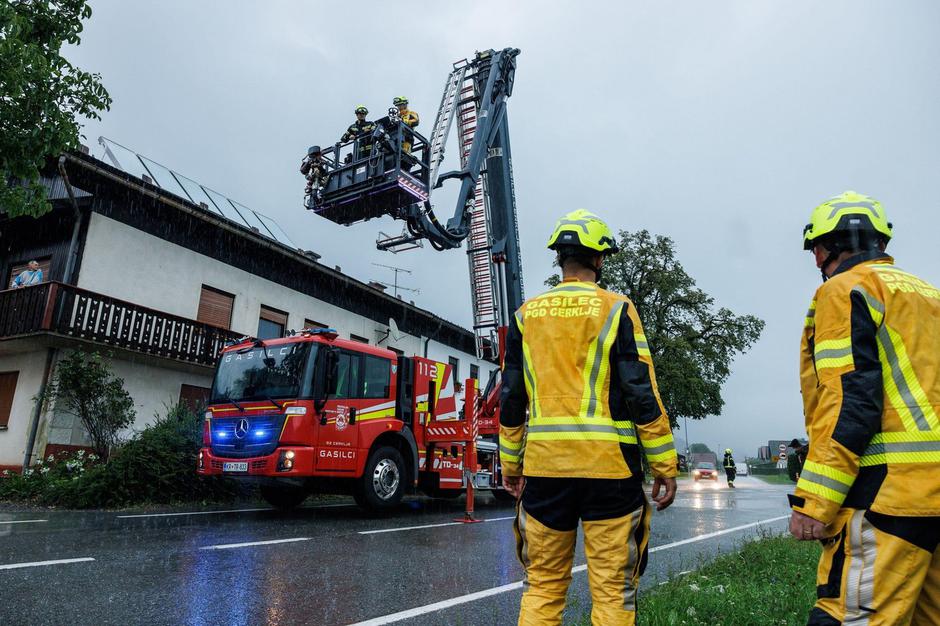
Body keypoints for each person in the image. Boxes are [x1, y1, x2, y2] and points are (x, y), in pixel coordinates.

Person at [500, 209, 678, 626]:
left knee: (542, 587)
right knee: (613, 592)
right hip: (610, 472)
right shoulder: (617, 309)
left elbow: (512, 397)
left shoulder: (527, 315)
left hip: (545, 472)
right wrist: (664, 465)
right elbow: (641, 394)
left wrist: (511, 463)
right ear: (599, 259)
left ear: (560, 259)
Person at [790, 191, 940, 625]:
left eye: (815, 249)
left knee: (848, 616)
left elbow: (848, 402)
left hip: (888, 496)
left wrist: (815, 501)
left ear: (827, 248)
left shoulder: (844, 290)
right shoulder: (929, 294)